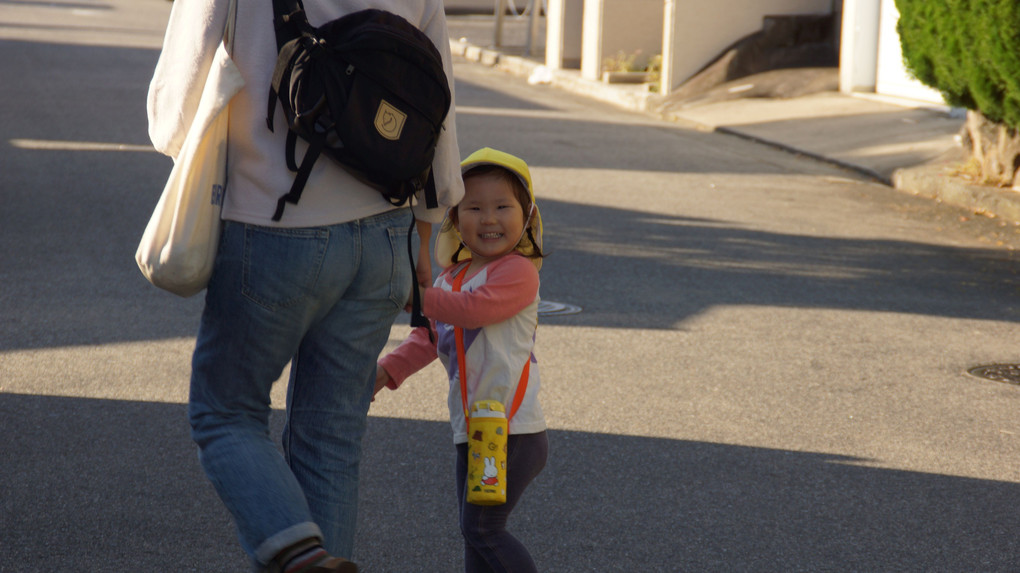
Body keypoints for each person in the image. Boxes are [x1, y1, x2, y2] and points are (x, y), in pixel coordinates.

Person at [146, 1, 463, 571]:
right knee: (331, 437)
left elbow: (178, 97)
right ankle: (313, 556)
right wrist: (426, 226)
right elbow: (435, 87)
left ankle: (296, 550)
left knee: (225, 412)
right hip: (386, 231)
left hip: (274, 224)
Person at [375, 148, 549, 573]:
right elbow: (429, 338)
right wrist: (383, 373)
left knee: (485, 531)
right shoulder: (451, 278)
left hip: (513, 431)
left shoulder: (517, 272)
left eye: (503, 207)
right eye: (474, 208)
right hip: (473, 430)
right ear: (454, 219)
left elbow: (474, 311)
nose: (489, 219)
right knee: (473, 535)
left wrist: (416, 297)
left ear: (526, 217)